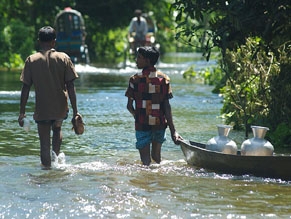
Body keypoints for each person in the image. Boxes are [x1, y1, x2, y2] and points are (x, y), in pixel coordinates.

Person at [18, 26, 80, 169]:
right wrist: (76, 111)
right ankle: (56, 160)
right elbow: (70, 86)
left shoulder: (31, 60)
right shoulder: (64, 58)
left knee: (44, 142)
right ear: (54, 42)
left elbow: (25, 88)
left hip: (43, 108)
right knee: (57, 129)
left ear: (39, 41)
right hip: (60, 107)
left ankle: (47, 170)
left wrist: (22, 113)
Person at [125, 46, 183, 166]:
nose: (136, 60)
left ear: (147, 61)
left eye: (139, 57)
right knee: (157, 159)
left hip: (142, 124)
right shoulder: (164, 79)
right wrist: (174, 131)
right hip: (159, 124)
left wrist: (138, 117)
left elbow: (129, 107)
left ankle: (146, 183)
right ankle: (158, 182)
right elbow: (167, 107)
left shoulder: (134, 80)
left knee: (145, 162)